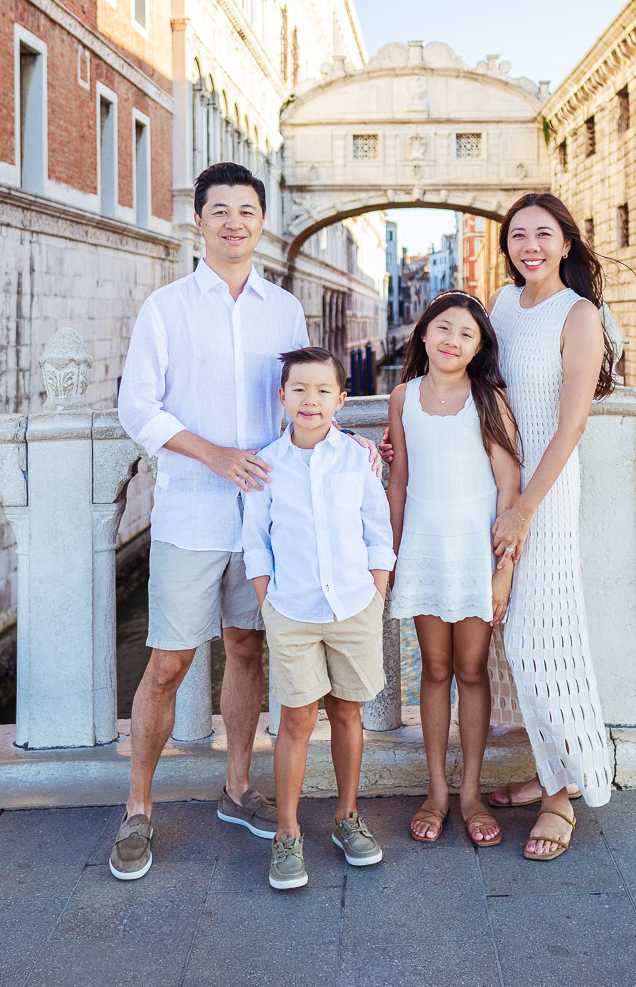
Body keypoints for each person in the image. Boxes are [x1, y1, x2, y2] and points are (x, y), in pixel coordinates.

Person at [110, 162, 308, 881]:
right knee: (168, 661)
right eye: (219, 209)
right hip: (191, 512)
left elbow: (300, 400)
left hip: (262, 515)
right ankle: (137, 809)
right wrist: (214, 455)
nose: (233, 221)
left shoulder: (283, 311)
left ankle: (236, 789)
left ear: (261, 221)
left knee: (248, 650)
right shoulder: (165, 308)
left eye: (246, 210)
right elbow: (138, 408)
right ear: (198, 221)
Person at [483, 192, 618, 860]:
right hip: (499, 483)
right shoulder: (504, 307)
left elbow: (570, 425)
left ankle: (564, 797)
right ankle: (544, 775)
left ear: (567, 243)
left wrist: (525, 507)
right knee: (506, 642)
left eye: (543, 234)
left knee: (540, 641)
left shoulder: (579, 314)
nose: (529, 245)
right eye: (518, 236)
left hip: (546, 494)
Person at [240, 345, 395, 890]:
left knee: (348, 712)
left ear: (342, 399)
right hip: (293, 610)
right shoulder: (267, 463)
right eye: (299, 390)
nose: (311, 400)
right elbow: (256, 542)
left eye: (323, 390)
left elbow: (378, 529)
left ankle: (346, 817)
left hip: (354, 605)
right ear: (282, 398)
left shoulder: (357, 458)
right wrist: (270, 603)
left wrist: (375, 594)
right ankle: (287, 832)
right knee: (297, 720)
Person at [384, 291, 521, 848]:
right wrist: (390, 557)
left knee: (472, 668)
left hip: (474, 550)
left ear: (480, 346)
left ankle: (470, 793)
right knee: (435, 669)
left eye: (466, 333)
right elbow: (399, 479)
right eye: (443, 328)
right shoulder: (403, 397)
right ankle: (437, 791)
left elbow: (509, 487)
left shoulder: (489, 399)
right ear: (423, 335)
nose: (452, 340)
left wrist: (503, 571)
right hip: (423, 545)